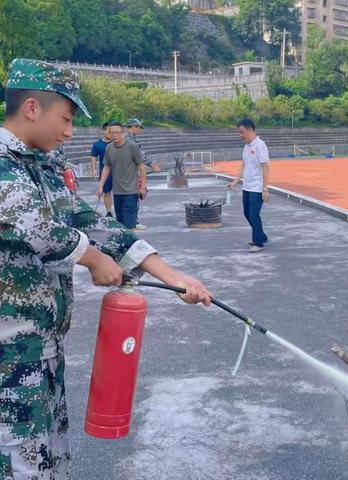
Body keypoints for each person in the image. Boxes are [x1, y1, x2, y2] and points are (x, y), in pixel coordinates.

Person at [0, 58, 212, 479]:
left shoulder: (41, 168)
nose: (68, 132)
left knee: (50, 460)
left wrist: (172, 276)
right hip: (8, 354)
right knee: (18, 465)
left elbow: (93, 223)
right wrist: (93, 259)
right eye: (65, 118)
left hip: (41, 350)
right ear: (31, 108)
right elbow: (31, 224)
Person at [228, 118, 270, 253]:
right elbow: (243, 165)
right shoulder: (246, 147)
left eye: (242, 132)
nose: (241, 135)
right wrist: (235, 180)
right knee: (247, 213)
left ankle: (258, 242)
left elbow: (266, 167)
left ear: (250, 130)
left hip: (257, 188)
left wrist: (265, 189)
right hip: (247, 186)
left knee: (253, 215)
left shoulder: (260, 145)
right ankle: (261, 236)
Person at [98, 122, 146, 231]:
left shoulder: (132, 146)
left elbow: (141, 167)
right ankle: (126, 246)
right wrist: (101, 186)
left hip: (131, 191)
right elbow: (106, 167)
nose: (114, 135)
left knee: (129, 225)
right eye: (112, 133)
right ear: (108, 133)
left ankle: (133, 245)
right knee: (121, 223)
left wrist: (143, 187)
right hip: (117, 191)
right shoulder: (109, 148)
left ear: (122, 133)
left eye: (117, 132)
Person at [125, 118, 161, 231]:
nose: (139, 130)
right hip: (131, 172)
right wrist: (152, 165)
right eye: (139, 128)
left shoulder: (124, 139)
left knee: (127, 198)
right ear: (134, 127)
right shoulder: (131, 141)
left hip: (125, 173)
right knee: (134, 197)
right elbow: (140, 157)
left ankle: (129, 222)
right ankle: (133, 222)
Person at [90, 122, 113, 216]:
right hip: (105, 171)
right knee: (106, 191)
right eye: (109, 131)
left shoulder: (116, 143)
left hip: (119, 170)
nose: (111, 133)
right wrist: (94, 169)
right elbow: (94, 157)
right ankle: (109, 211)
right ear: (104, 131)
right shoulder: (97, 144)